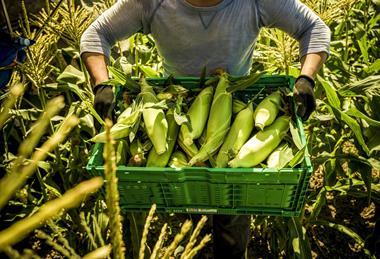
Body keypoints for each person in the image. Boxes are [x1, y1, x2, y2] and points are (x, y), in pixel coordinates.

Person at [80, 0, 330, 258]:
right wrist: (101, 82)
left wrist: (306, 78)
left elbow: (314, 28)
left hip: (235, 106)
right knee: (190, 204)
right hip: (179, 113)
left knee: (232, 209)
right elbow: (97, 34)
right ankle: (195, 244)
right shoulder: (152, 3)